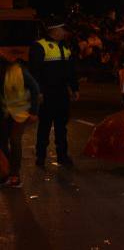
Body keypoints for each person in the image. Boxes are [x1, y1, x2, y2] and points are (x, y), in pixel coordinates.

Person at [30, 17, 79, 168]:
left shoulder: (65, 47)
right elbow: (34, 72)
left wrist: (75, 88)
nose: (65, 33)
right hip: (47, 93)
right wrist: (38, 92)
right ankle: (40, 157)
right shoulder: (40, 46)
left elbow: (71, 71)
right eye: (63, 30)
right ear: (55, 30)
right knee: (44, 126)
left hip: (61, 92)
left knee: (61, 127)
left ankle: (62, 156)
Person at [0, 59, 40, 187]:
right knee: (2, 142)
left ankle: (14, 174)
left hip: (20, 113)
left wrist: (34, 112)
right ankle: (6, 172)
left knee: (15, 140)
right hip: (4, 113)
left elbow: (34, 88)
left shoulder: (17, 71)